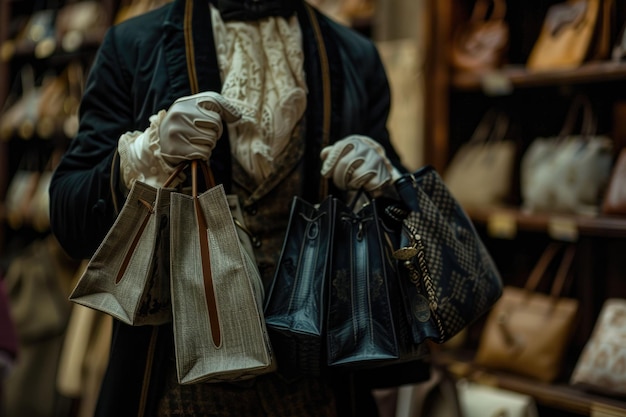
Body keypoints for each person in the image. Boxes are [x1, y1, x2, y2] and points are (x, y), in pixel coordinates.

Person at [49, 0, 427, 415]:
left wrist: (386, 179)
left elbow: (402, 222)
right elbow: (71, 218)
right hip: (178, 391)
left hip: (320, 389)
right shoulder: (136, 44)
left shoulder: (353, 54)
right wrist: (146, 154)